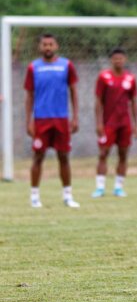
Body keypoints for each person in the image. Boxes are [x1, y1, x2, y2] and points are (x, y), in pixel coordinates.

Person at [24, 33, 80, 208]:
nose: (47, 47)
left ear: (56, 46)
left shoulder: (66, 65)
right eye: (44, 44)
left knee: (63, 157)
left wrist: (75, 117)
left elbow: (73, 92)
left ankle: (67, 196)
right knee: (38, 157)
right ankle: (34, 197)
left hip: (61, 119)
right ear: (40, 47)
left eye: (51, 44)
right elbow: (29, 96)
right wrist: (29, 120)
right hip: (41, 119)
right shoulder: (33, 67)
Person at [92, 48, 137, 198]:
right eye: (115, 58)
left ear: (125, 60)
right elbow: (98, 101)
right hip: (108, 123)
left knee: (123, 154)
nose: (118, 61)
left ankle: (118, 187)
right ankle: (100, 188)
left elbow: (134, 102)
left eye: (121, 58)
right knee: (103, 153)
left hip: (125, 123)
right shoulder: (104, 77)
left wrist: (135, 125)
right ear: (111, 60)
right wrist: (99, 123)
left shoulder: (130, 78)